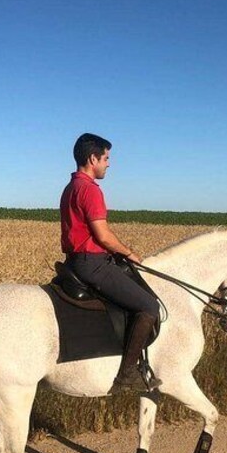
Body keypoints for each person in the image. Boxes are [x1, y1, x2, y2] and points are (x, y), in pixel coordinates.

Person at [59, 133, 161, 391]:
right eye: (106, 158)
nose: (108, 163)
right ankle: (126, 375)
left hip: (75, 261)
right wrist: (128, 253)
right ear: (93, 158)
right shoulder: (91, 190)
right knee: (149, 305)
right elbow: (102, 235)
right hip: (92, 263)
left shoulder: (71, 187)